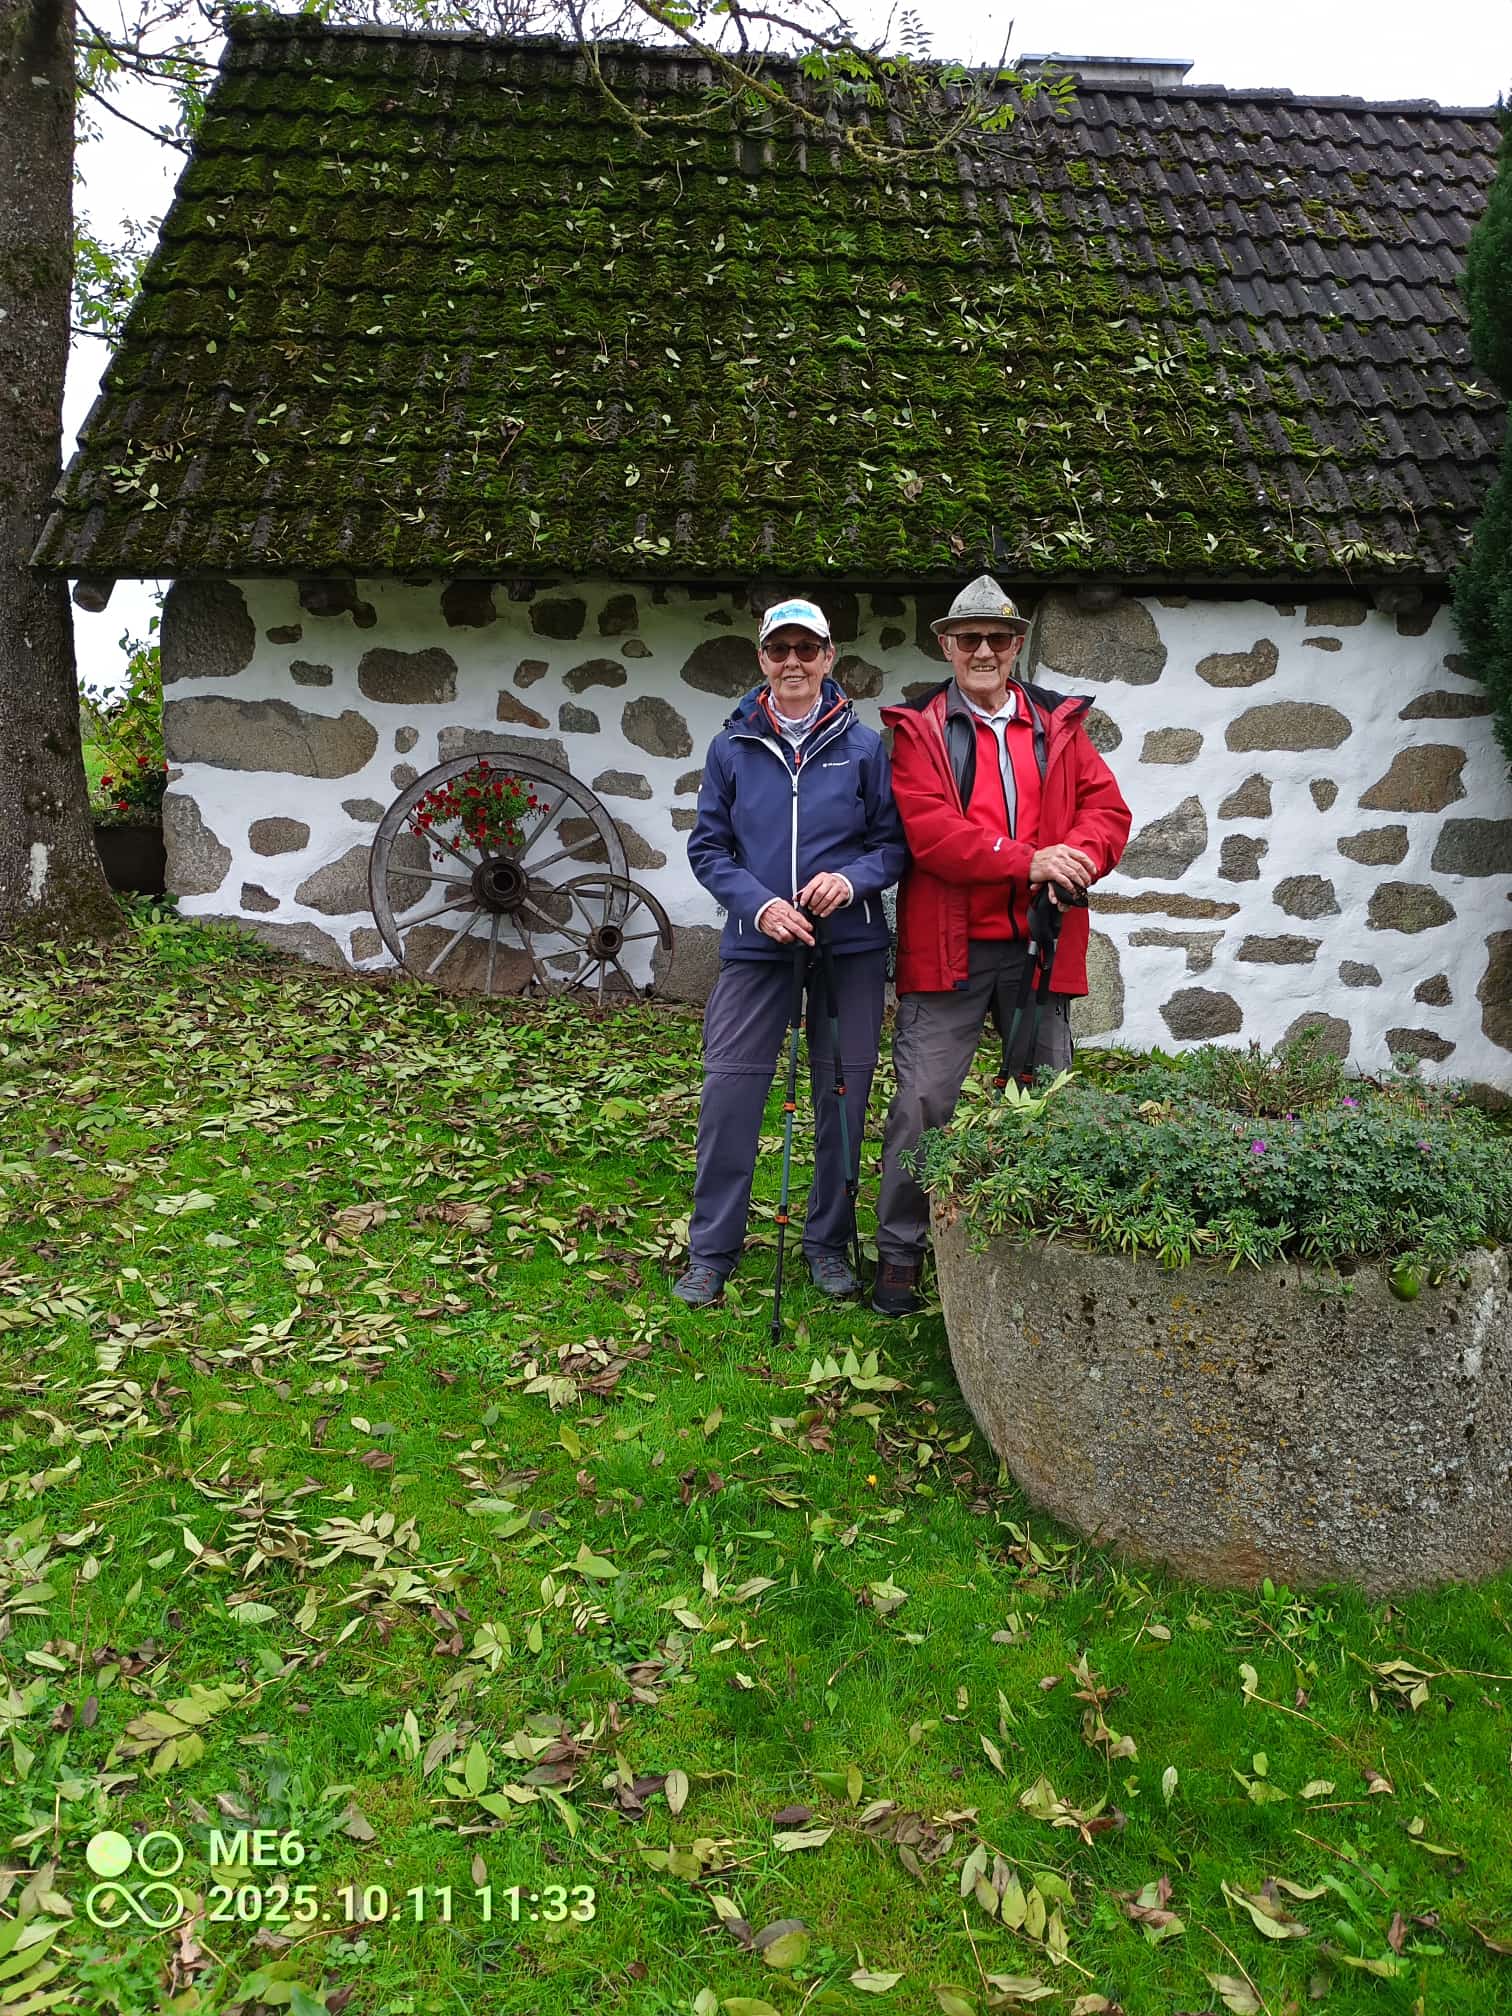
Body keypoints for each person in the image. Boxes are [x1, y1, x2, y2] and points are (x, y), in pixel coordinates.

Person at [871, 574, 1133, 1316]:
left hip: (1040, 944)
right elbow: (933, 833)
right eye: (968, 638)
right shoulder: (920, 730)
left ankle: (1038, 1245)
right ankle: (901, 1252)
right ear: (947, 646)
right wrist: (1029, 861)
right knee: (924, 1100)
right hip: (949, 948)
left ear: (1017, 645)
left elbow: (1107, 810)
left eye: (997, 638)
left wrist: (1076, 857)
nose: (983, 651)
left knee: (1043, 1095)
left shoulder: (1059, 725)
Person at [675, 597, 907, 1307]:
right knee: (730, 1091)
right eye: (780, 650)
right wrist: (760, 905)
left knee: (844, 1097)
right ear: (763, 659)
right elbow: (709, 849)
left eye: (808, 649)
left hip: (848, 945)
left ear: (829, 658)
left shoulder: (863, 747)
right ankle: (711, 1250)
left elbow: (892, 846)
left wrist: (851, 880)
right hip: (758, 945)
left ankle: (828, 1244)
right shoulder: (732, 747)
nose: (794, 662)